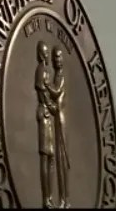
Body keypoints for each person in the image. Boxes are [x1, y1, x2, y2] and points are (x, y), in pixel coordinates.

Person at [47, 47, 70, 209]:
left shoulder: (60, 77)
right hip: (56, 117)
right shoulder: (56, 75)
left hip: (60, 121)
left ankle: (65, 200)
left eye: (59, 57)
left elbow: (56, 92)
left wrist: (46, 85)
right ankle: (63, 199)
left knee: (62, 161)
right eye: (55, 57)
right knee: (59, 161)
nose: (57, 60)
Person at [34, 41, 56, 208]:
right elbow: (42, 92)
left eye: (48, 51)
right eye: (45, 52)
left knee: (51, 157)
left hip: (49, 117)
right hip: (45, 115)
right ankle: (45, 198)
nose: (47, 54)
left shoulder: (47, 70)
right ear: (41, 54)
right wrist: (50, 106)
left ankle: (50, 197)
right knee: (45, 157)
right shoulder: (40, 71)